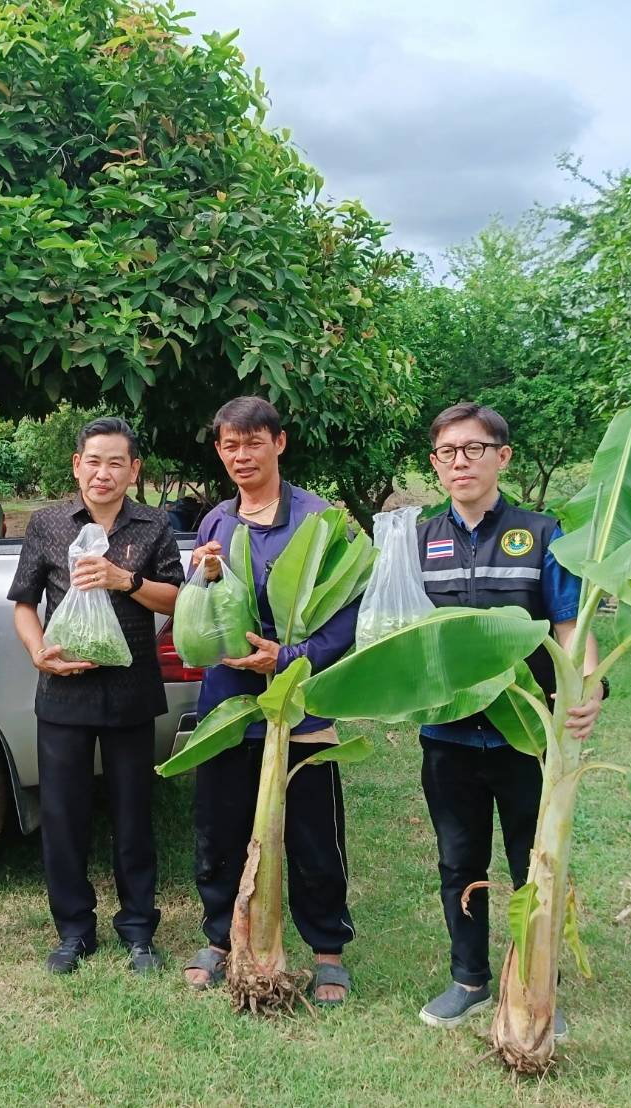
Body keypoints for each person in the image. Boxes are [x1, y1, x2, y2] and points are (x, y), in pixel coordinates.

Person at [414, 401, 604, 1033]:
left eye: (473, 449)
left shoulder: (542, 532)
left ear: (502, 457)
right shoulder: (419, 537)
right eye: (447, 452)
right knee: (458, 860)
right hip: (447, 731)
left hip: (526, 731)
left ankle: (534, 980)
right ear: (436, 465)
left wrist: (589, 688)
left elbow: (569, 620)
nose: (459, 462)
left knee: (533, 860)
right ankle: (468, 978)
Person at [180, 397, 359, 1006]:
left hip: (299, 703)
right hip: (228, 705)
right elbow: (203, 610)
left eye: (252, 443)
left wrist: (284, 657)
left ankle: (328, 949)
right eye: (229, 445)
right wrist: (199, 578)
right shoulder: (215, 521)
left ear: (279, 444)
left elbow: (347, 618)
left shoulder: (321, 520)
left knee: (313, 833)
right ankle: (219, 938)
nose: (240, 456)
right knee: (219, 827)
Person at [7, 417, 183, 975]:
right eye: (92, 460)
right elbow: (24, 603)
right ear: (76, 465)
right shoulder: (49, 524)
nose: (102, 473)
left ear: (134, 470)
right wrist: (38, 651)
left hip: (131, 691)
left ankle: (137, 930)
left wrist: (122, 579)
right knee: (63, 815)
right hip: (63, 689)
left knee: (133, 813)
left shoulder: (154, 526)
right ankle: (74, 930)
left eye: (115, 462)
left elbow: (176, 600)